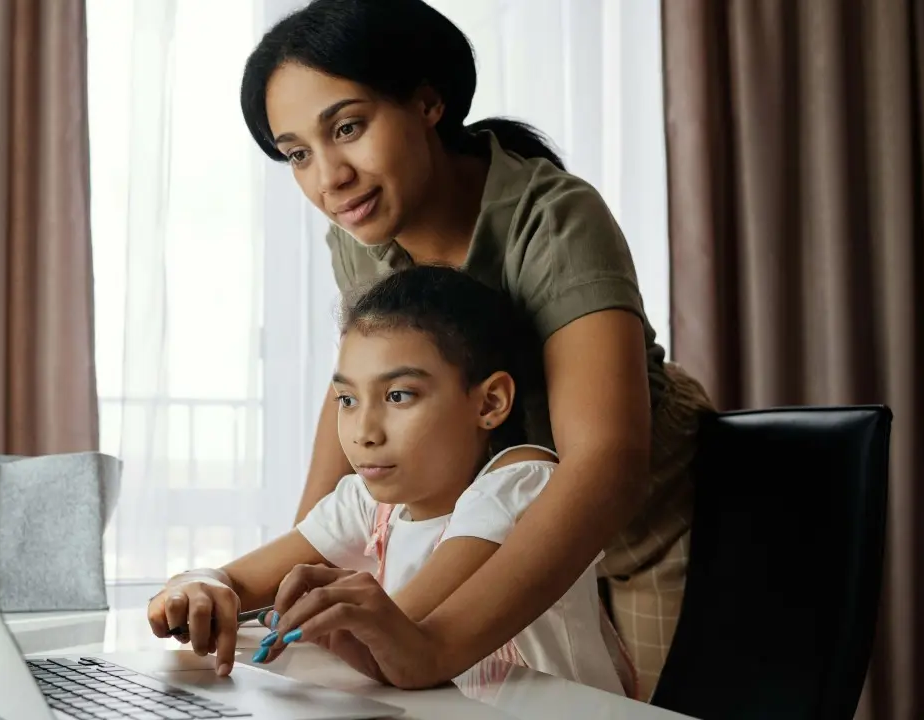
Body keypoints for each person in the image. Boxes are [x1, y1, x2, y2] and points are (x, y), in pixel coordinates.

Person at [234, 0, 715, 700]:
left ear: (429, 103)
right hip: (492, 525)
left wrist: (434, 645)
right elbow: (356, 388)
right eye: (298, 154)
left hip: (638, 527)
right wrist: (290, 584)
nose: (329, 177)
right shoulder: (359, 235)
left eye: (349, 127)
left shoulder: (552, 217)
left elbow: (606, 461)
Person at [147, 265, 631, 697]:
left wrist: (314, 616)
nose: (363, 433)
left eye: (398, 395)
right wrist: (197, 586)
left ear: (489, 403)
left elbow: (401, 635)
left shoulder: (521, 483)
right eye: (347, 400)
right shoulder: (370, 503)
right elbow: (237, 579)